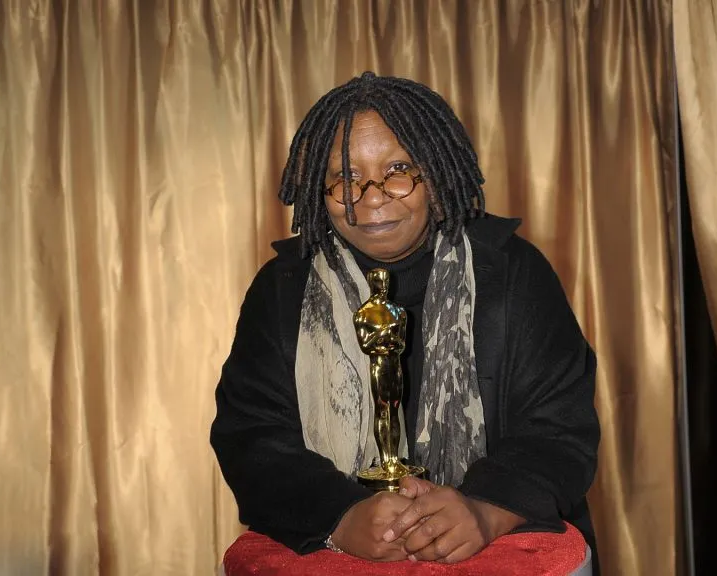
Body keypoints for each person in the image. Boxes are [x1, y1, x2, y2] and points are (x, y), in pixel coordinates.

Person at [210, 72, 600, 567]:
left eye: (398, 169)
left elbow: (560, 427)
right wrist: (340, 516)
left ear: (435, 172)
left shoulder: (515, 273)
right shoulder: (281, 290)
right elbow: (250, 435)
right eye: (345, 177)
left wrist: (485, 510)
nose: (371, 198)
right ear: (318, 188)